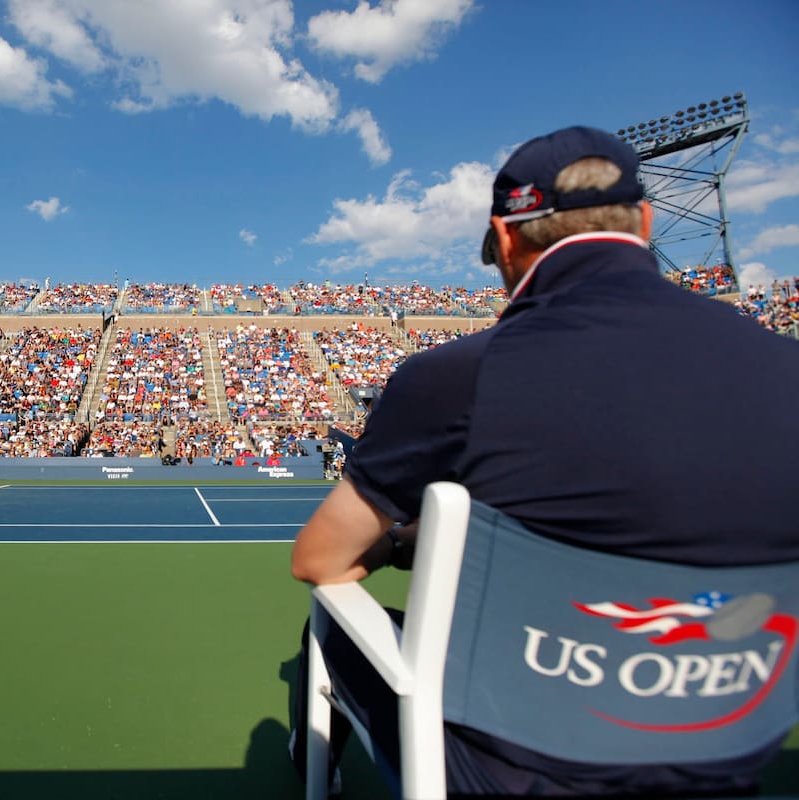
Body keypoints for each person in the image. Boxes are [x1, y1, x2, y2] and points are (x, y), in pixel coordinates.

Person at [288, 126, 799, 796]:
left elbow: (319, 560)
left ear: (505, 240)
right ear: (644, 221)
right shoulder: (784, 367)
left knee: (331, 622)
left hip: (515, 771)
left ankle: (310, 764)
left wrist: (416, 543)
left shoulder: (459, 375)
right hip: (724, 755)